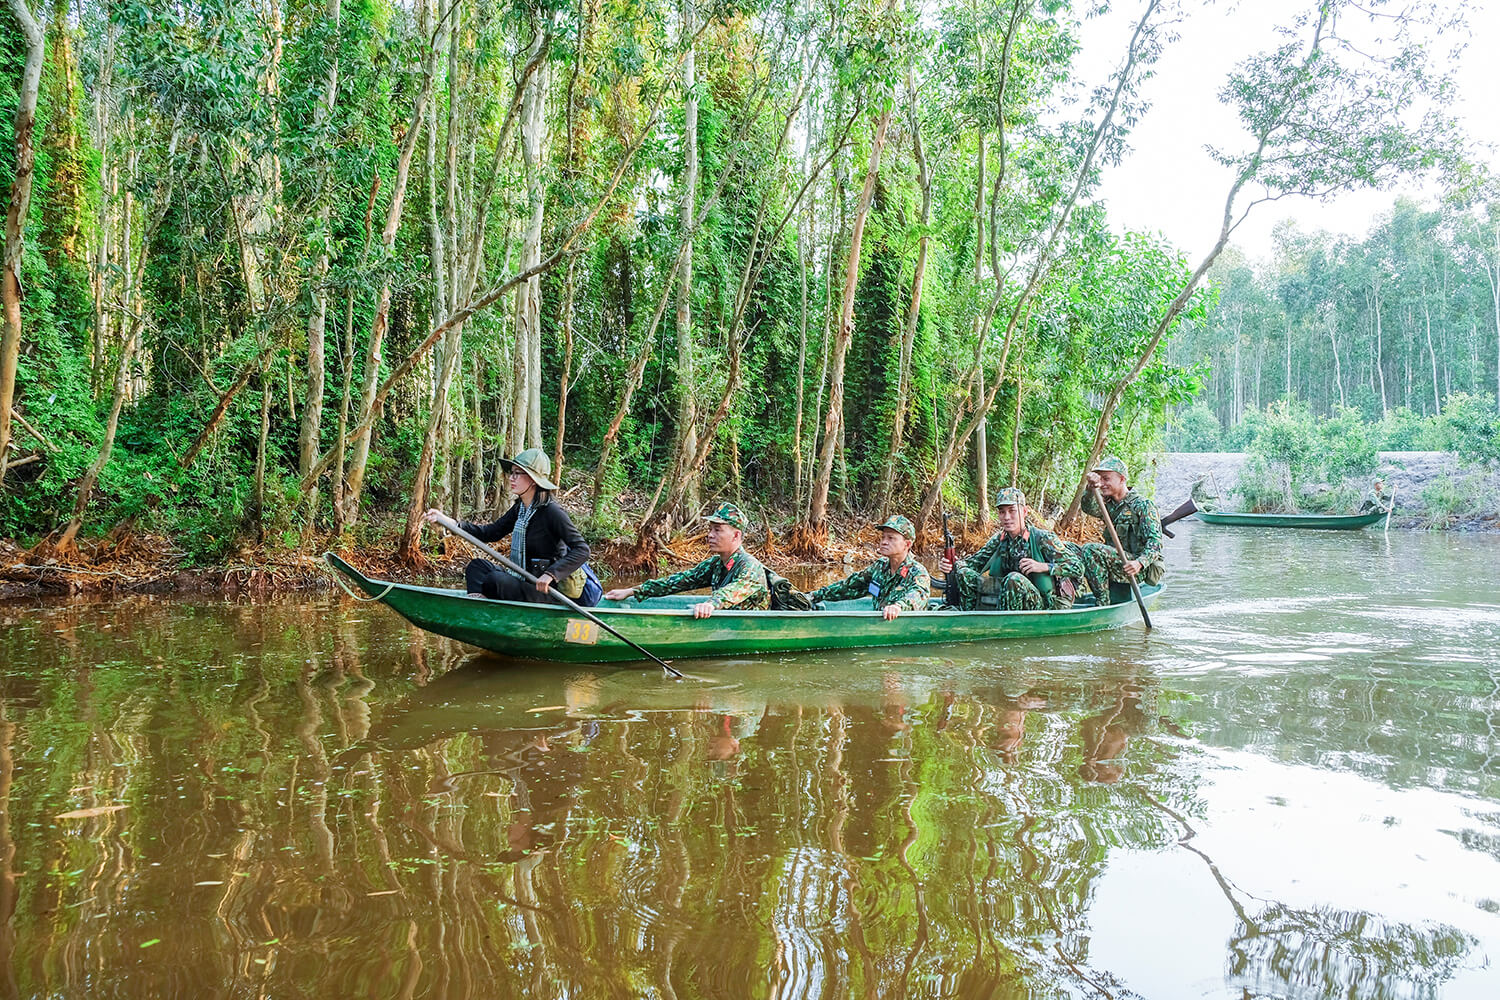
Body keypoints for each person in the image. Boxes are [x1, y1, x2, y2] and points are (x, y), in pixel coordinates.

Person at [422, 447, 597, 605]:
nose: (511, 478)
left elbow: (582, 550)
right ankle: (479, 611)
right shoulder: (520, 509)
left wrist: (551, 574)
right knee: (477, 567)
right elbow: (491, 533)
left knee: (496, 581)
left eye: (517, 473)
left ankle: (488, 608)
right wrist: (452, 523)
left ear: (533, 480)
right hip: (523, 581)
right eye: (511, 473)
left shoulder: (551, 512)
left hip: (546, 591)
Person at [603, 502, 769, 618]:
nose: (710, 535)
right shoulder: (716, 564)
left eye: (717, 530)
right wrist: (632, 591)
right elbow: (679, 581)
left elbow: (735, 589)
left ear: (736, 535)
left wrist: (711, 604)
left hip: (754, 624)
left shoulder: (749, 565)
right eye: (710, 529)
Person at [937, 488, 1084, 611]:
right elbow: (972, 564)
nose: (1006, 517)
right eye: (1002, 512)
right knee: (963, 573)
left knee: (1014, 579)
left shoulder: (1043, 538)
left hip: (1042, 603)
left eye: (1012, 511)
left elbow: (1078, 567)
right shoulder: (999, 539)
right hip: (1005, 596)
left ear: (1024, 511)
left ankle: (1005, 626)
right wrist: (952, 564)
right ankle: (969, 619)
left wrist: (1043, 566)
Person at [806, 515, 932, 620]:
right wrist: (815, 595)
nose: (884, 542)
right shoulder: (879, 566)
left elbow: (918, 595)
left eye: (891, 538)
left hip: (904, 625)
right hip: (880, 623)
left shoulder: (917, 572)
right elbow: (849, 586)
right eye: (883, 537)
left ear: (907, 544)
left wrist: (898, 607)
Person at [1078, 455, 1165, 606]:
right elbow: (1088, 507)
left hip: (1136, 567)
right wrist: (1091, 488)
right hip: (1116, 561)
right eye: (1100, 479)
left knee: (1090, 549)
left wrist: (1139, 563)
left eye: (1106, 479)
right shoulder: (1108, 504)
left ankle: (1103, 603)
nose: (1103, 484)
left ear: (1122, 479)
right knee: (1071, 549)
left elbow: (1155, 543)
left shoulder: (1143, 505)